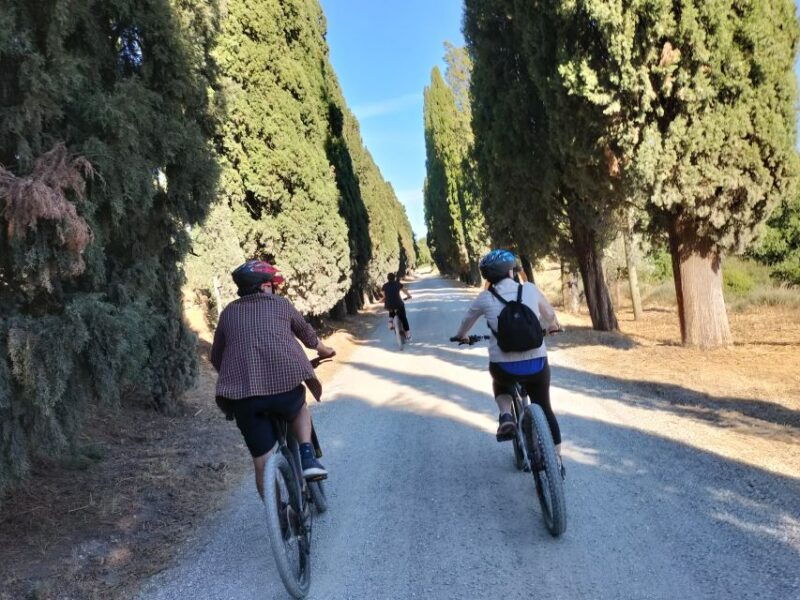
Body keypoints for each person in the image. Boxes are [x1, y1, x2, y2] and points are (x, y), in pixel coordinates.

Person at [210, 260, 335, 499]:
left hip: (244, 402)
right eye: (271, 284)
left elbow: (217, 357)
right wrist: (323, 349)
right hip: (284, 392)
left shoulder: (228, 314)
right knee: (299, 406)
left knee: (262, 461)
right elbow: (306, 333)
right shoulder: (281, 305)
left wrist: (238, 376)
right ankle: (307, 455)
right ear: (264, 287)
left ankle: (281, 520)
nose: (273, 289)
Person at [452, 249, 565, 475]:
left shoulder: (485, 298)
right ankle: (557, 461)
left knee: (500, 381)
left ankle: (505, 415)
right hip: (537, 364)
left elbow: (466, 321)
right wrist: (552, 326)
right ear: (511, 271)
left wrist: (462, 335)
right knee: (545, 406)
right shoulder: (529, 289)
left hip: (504, 367)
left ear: (488, 277)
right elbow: (550, 315)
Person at [381, 272, 412, 341]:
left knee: (391, 309)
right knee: (403, 318)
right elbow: (405, 291)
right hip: (398, 304)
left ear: (388, 279)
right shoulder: (398, 284)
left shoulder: (384, 286)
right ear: (394, 278)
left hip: (388, 304)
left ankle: (390, 321)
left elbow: (384, 295)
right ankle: (408, 334)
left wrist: (384, 299)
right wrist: (408, 296)